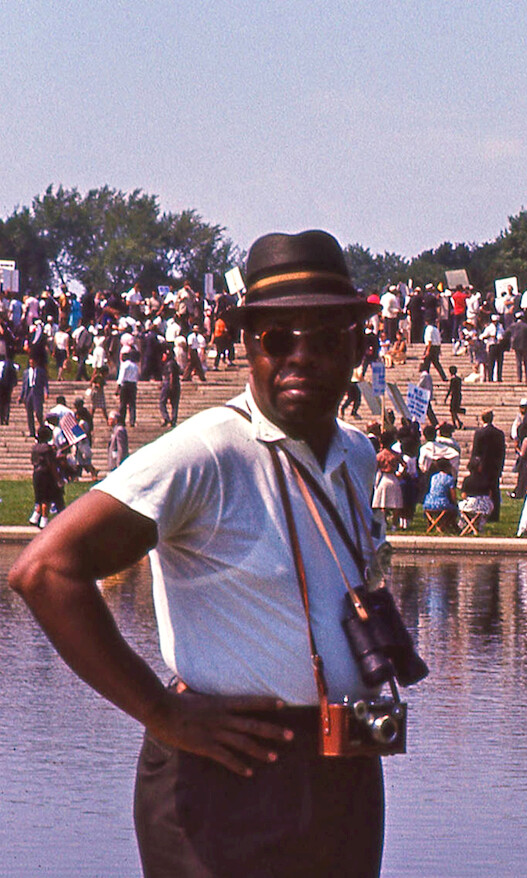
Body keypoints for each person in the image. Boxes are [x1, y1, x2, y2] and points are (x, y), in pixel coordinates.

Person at [8, 229, 394, 874]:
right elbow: (45, 570)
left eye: (326, 338)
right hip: (226, 772)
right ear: (249, 345)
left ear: (356, 344)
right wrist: (161, 713)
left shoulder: (355, 451)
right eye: (279, 338)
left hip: (343, 769)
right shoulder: (209, 450)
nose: (301, 357)